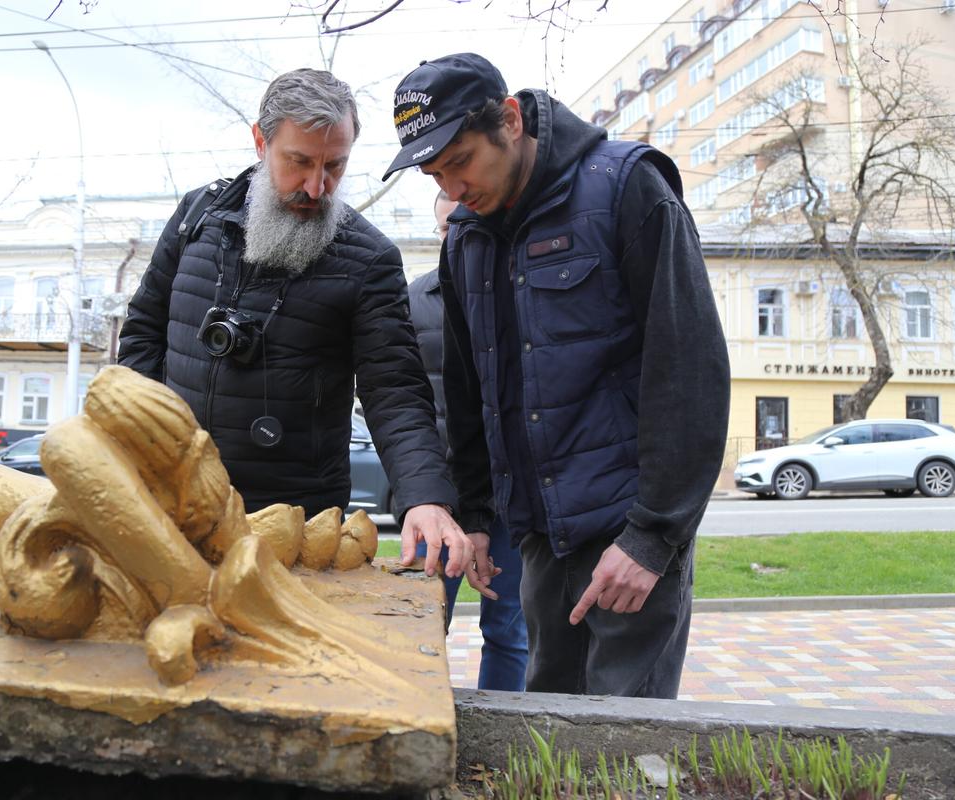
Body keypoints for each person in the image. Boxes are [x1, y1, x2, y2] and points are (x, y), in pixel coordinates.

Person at [384, 53, 729, 698]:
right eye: (435, 175)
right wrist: (480, 514)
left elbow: (691, 372)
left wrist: (653, 540)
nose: (452, 190)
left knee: (626, 747)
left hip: (628, 535)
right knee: (549, 731)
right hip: (538, 539)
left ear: (509, 120)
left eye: (459, 162)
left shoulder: (627, 187)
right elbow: (470, 391)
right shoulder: (466, 237)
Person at [118, 68, 490, 588]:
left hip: (294, 523)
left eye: (334, 166)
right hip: (174, 498)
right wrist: (141, 442)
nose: (317, 186)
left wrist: (424, 496)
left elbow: (395, 391)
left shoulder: (370, 258)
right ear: (260, 141)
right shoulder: (197, 217)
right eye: (299, 162)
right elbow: (142, 335)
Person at [408, 190, 528, 691]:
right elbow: (400, 396)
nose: (455, 237)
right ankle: (418, 716)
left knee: (508, 626)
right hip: (440, 491)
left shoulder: (515, 290)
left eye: (465, 225)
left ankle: (505, 735)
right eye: (445, 229)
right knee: (420, 623)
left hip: (509, 491)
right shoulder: (414, 301)